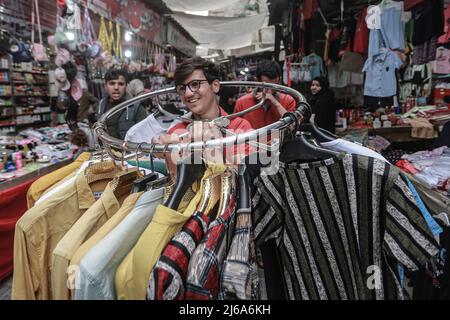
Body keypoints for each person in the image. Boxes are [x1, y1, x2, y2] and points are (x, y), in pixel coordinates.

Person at [152, 56, 253, 176]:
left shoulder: (239, 128)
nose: (188, 93)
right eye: (182, 88)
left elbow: (241, 182)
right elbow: (177, 182)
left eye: (195, 84)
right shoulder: (176, 131)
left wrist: (209, 147)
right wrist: (163, 150)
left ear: (215, 85)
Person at [234, 60, 297, 129]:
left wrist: (276, 104)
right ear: (257, 81)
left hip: (281, 139)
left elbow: (292, 127)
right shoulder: (242, 103)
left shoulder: (288, 100)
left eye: (274, 86)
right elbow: (236, 129)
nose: (270, 91)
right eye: (266, 86)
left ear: (279, 79)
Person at [89, 67, 147, 140]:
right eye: (112, 83)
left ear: (126, 86)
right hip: (106, 149)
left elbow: (144, 136)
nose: (116, 87)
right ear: (105, 86)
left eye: (121, 84)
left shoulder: (136, 108)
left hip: (128, 150)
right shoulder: (101, 106)